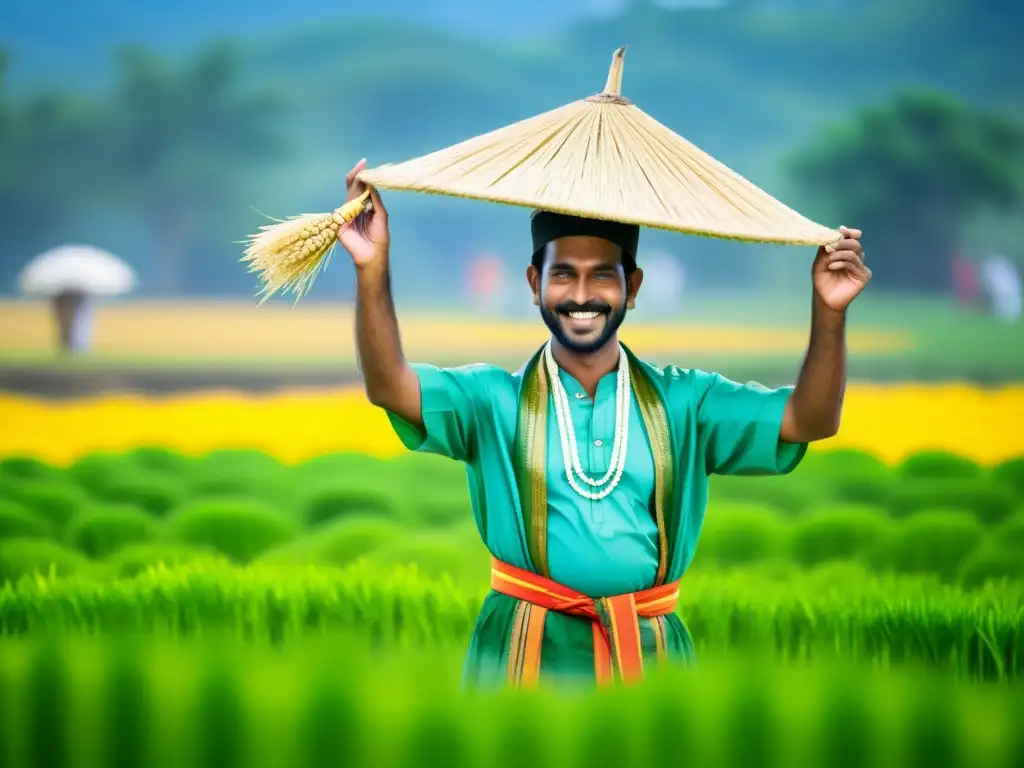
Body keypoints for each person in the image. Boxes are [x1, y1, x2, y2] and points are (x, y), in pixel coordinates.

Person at [337, 158, 871, 688]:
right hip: (522, 652)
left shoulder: (687, 400)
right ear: (533, 282)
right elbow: (390, 387)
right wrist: (371, 269)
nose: (581, 296)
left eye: (602, 276)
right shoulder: (490, 400)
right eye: (563, 274)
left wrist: (830, 312)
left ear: (632, 286)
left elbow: (811, 419)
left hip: (648, 654)